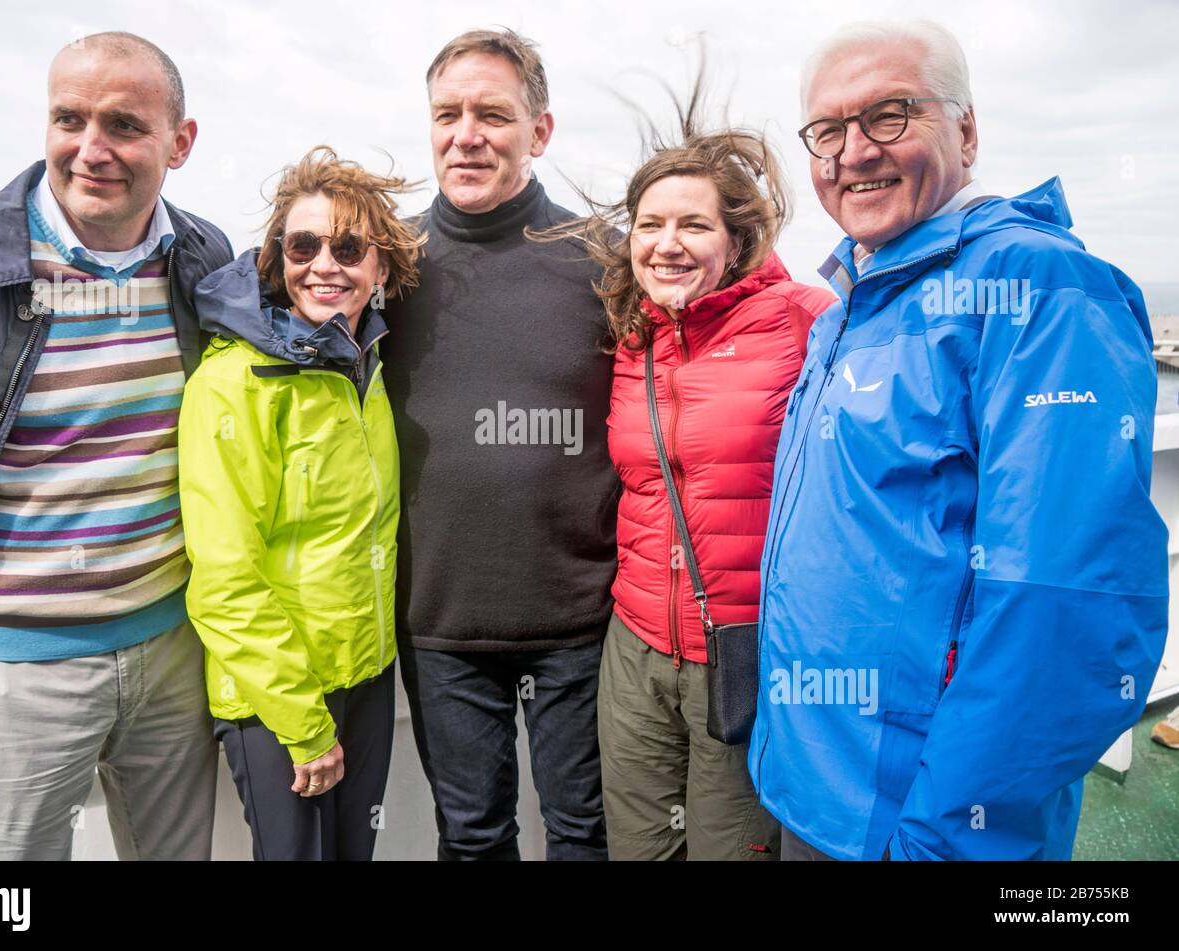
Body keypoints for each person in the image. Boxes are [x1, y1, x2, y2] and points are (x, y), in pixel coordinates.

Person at [749, 18, 1168, 860]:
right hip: (815, 793)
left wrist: (945, 836)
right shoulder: (855, 300)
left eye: (889, 115)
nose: (854, 151)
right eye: (826, 130)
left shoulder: (1037, 287)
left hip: (917, 823)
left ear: (966, 131)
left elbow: (1066, 605)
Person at [0, 32, 232, 859]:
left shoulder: (204, 259)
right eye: (69, 119)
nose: (90, 148)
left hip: (177, 658)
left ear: (180, 142)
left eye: (124, 125)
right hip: (5, 680)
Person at [543, 82, 833, 859]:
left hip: (742, 651)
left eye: (693, 225)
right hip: (634, 646)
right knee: (639, 849)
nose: (667, 243)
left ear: (735, 242)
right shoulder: (632, 335)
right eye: (651, 224)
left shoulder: (802, 319)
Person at [381, 29, 618, 860]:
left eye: (492, 114)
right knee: (473, 839)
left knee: (586, 836)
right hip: (439, 617)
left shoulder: (604, 260)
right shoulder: (389, 264)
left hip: (582, 618)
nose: (466, 135)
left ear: (538, 132)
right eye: (447, 115)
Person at [179, 147, 422, 861]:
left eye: (348, 248)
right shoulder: (234, 383)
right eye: (303, 245)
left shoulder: (364, 367)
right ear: (276, 258)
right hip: (278, 700)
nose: (323, 265)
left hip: (366, 678)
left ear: (381, 269)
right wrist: (303, 723)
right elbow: (225, 577)